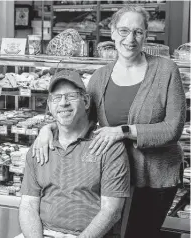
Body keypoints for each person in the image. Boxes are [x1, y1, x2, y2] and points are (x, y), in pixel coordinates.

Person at [32, 6, 186, 238]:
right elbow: (81, 119)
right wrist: (48, 128)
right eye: (123, 31)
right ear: (112, 33)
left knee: (138, 234)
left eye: (137, 32)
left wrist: (122, 131)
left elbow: (172, 128)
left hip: (154, 176)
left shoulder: (166, 70)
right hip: (110, 176)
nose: (130, 39)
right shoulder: (100, 77)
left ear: (146, 35)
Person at [17, 70, 130, 238]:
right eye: (57, 98)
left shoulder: (109, 146)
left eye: (71, 96)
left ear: (85, 101)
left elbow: (111, 211)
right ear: (49, 105)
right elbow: (28, 206)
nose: (63, 103)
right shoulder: (40, 147)